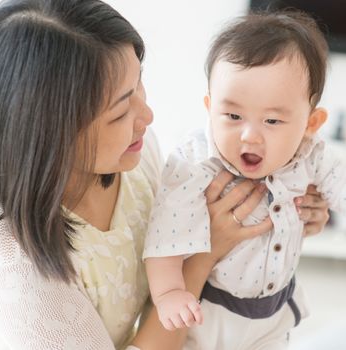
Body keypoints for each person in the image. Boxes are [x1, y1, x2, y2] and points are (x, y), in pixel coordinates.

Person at [0, 1, 329, 349]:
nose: (148, 116)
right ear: (49, 135)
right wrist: (204, 257)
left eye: (139, 84)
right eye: (121, 112)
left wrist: (293, 211)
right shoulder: (17, 273)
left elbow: (195, 213)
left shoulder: (138, 156)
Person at [143, 11, 345, 350]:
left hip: (273, 312)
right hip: (209, 311)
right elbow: (165, 235)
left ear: (311, 123)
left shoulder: (312, 154)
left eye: (272, 121)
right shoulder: (195, 164)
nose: (249, 135)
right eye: (233, 116)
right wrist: (169, 293)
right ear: (209, 107)